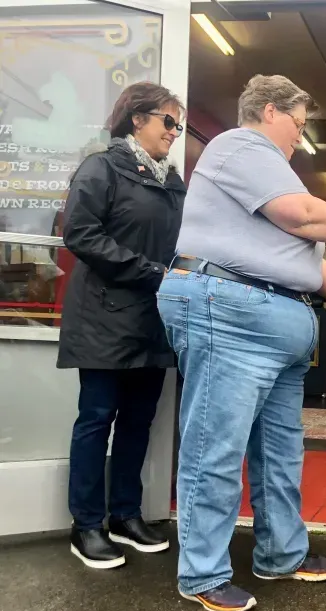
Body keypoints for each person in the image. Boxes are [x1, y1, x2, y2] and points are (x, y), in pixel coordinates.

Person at [156, 74, 326, 611]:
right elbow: (302, 218)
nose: (299, 139)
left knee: (281, 452)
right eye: (298, 125)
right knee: (217, 449)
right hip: (230, 314)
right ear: (267, 111)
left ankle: (282, 553)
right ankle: (203, 573)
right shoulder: (240, 146)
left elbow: (301, 262)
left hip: (270, 326)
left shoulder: (270, 173)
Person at [58, 82, 187, 569]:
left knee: (138, 422)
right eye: (168, 122)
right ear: (137, 120)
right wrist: (153, 273)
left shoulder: (172, 183)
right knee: (96, 421)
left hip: (154, 321)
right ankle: (86, 524)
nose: (174, 132)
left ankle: (125, 515)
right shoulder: (101, 167)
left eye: (178, 125)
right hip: (104, 318)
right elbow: (81, 234)